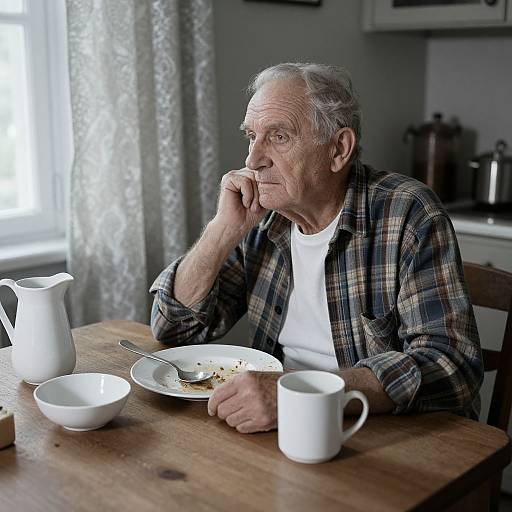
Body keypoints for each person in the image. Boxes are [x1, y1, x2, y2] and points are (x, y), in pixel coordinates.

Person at [149, 62, 483, 434]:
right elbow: (172, 328)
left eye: (278, 137)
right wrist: (222, 230)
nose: (252, 160)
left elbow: (452, 365)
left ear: (338, 149)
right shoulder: (266, 218)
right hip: (283, 428)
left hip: (383, 433)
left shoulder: (407, 213)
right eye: (251, 136)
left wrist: (304, 392)